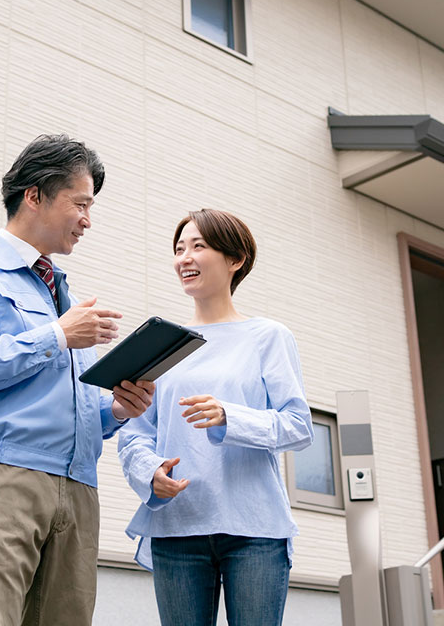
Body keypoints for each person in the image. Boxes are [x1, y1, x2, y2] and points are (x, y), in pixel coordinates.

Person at [0, 134, 154, 626]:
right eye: (81, 204)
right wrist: (55, 335)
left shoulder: (64, 297)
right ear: (34, 196)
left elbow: (67, 404)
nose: (88, 220)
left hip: (78, 488)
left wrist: (116, 409)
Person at [117, 209, 313, 626]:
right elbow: (134, 435)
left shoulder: (268, 336)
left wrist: (230, 417)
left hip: (255, 529)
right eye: (178, 249)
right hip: (177, 526)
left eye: (198, 246)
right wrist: (150, 471)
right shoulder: (160, 343)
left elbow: (297, 425)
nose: (184, 258)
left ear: (235, 259)